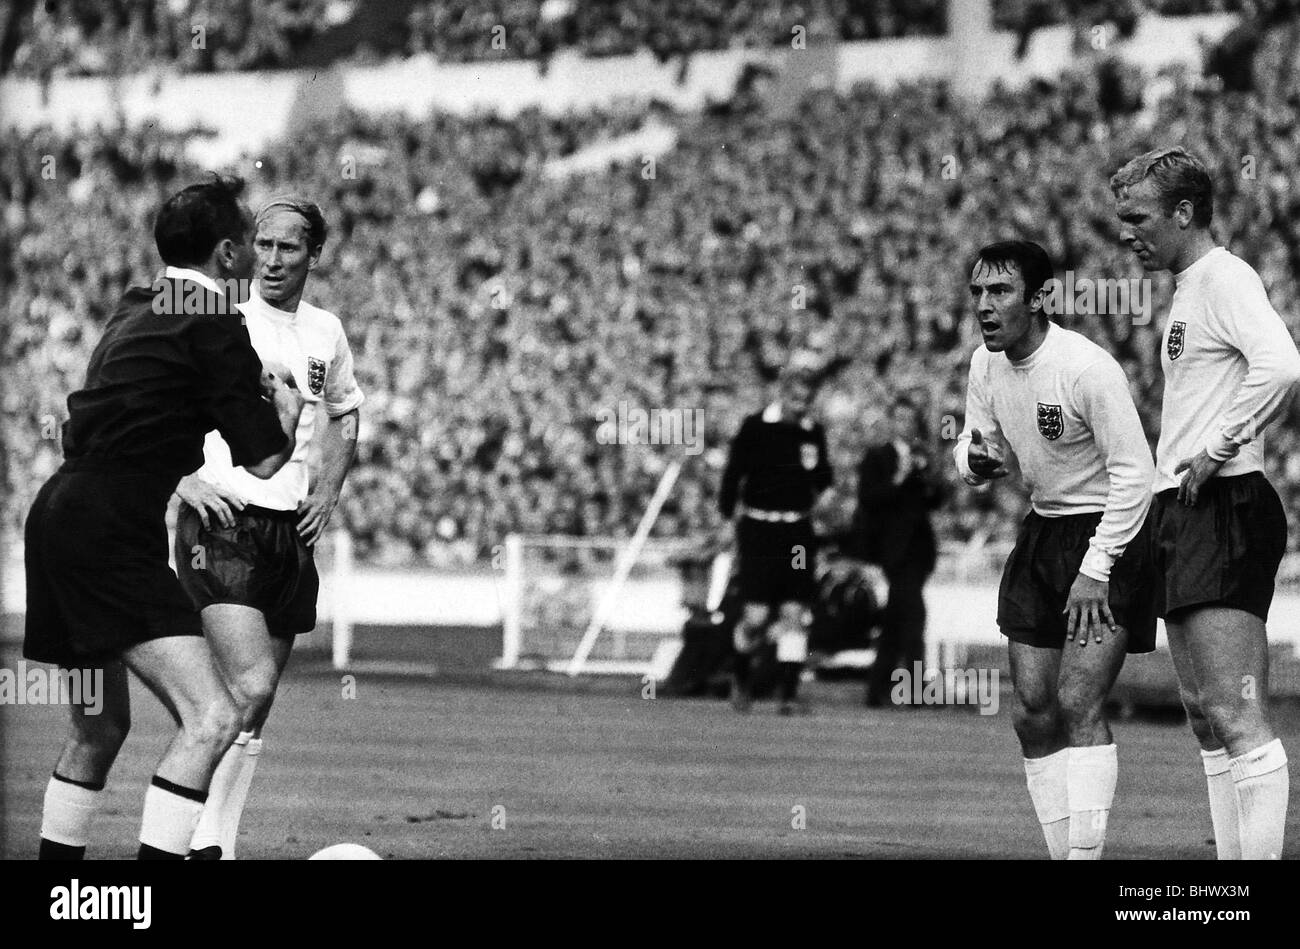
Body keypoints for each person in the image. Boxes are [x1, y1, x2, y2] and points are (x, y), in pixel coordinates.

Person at [25, 175, 305, 860]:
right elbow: (265, 460)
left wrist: (234, 381)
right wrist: (287, 413)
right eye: (246, 238)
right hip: (111, 531)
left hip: (56, 518)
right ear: (229, 254)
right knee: (213, 715)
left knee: (98, 729)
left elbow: (146, 392)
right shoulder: (217, 323)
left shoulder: (138, 301)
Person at [1112, 146, 1300, 859]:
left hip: (1223, 500)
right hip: (1186, 508)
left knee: (1235, 709)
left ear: (1184, 212)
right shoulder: (1190, 286)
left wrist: (1218, 446)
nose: (1127, 232)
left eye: (1138, 217)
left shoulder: (1224, 276)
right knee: (1201, 714)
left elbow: (1283, 363)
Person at [173, 196, 364, 859]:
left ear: (316, 254)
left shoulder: (325, 332)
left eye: (289, 246)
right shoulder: (218, 320)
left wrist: (330, 487)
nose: (273, 257)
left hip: (290, 533)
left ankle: (213, 843)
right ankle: (190, 837)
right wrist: (182, 479)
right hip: (220, 520)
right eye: (264, 243)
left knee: (257, 702)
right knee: (248, 683)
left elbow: (345, 411)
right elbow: (147, 402)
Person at [954, 240, 1156, 859]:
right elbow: (970, 439)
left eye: (1000, 293)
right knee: (1033, 711)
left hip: (1108, 534)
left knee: (1077, 701)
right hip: (1042, 530)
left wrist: (1096, 569)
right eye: (978, 294)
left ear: (1040, 297)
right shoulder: (984, 365)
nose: (985, 307)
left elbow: (1136, 474)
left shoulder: (1086, 369)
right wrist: (974, 460)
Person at [718, 358, 834, 715]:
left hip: (797, 532)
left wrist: (827, 495)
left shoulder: (812, 431)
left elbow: (823, 477)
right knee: (755, 617)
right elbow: (732, 476)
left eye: (807, 401)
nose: (802, 407)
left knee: (793, 614)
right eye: (796, 399)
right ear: (783, 394)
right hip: (758, 529)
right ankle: (740, 675)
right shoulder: (754, 427)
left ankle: (788, 694)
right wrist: (726, 518)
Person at [856, 395, 947, 707]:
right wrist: (899, 477)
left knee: (897, 619)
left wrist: (929, 477)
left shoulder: (922, 455)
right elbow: (869, 499)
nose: (906, 426)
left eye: (910, 420)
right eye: (901, 419)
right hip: (894, 549)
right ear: (892, 423)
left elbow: (935, 500)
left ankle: (878, 688)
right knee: (913, 617)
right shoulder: (877, 457)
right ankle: (913, 688)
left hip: (919, 549)